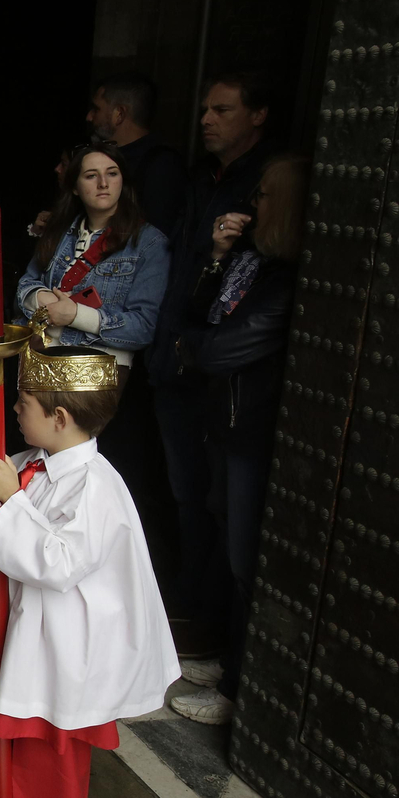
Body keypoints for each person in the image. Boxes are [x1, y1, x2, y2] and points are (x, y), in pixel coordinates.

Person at [0, 338, 180, 798]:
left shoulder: (98, 487)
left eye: (23, 400)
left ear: (59, 416)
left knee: (51, 751)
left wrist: (7, 507)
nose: (15, 408)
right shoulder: (23, 465)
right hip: (7, 633)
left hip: (59, 647)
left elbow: (58, 563)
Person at [162, 153, 307, 725]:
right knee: (225, 536)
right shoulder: (251, 264)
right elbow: (195, 312)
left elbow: (221, 348)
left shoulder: (286, 280)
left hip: (248, 430)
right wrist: (219, 259)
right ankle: (226, 658)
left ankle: (238, 690)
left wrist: (193, 347)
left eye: (266, 196)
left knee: (246, 557)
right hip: (222, 423)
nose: (253, 206)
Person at [146, 73, 272, 655]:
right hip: (175, 355)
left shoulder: (266, 186)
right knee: (185, 492)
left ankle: (205, 618)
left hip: (222, 377)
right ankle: (188, 604)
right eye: (204, 110)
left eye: (222, 109)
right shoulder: (201, 179)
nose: (206, 120)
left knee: (220, 507)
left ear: (258, 115)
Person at [16, 143, 169, 370]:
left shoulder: (149, 242)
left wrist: (76, 315)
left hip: (97, 367)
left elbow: (144, 327)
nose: (103, 183)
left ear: (123, 181)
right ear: (75, 186)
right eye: (91, 176)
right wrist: (44, 301)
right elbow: (24, 285)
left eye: (112, 173)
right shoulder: (58, 230)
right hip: (40, 355)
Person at [85, 73, 187, 234]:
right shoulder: (106, 157)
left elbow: (156, 235)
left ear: (119, 114)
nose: (89, 117)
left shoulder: (161, 165)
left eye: (96, 109)